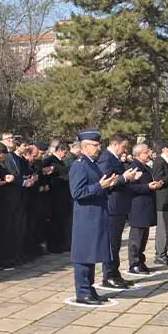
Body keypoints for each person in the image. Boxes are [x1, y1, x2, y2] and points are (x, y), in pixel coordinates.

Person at [69, 130, 119, 306]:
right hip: (86, 217)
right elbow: (77, 192)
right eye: (95, 145)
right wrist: (100, 186)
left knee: (91, 254)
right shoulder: (80, 165)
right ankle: (82, 291)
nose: (99, 148)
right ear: (84, 147)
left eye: (99, 145)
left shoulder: (92, 163)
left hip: (95, 215)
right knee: (83, 255)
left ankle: (89, 288)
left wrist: (108, 185)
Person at [97, 134, 135, 285]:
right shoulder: (106, 158)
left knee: (116, 242)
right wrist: (125, 177)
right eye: (123, 147)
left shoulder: (114, 158)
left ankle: (115, 273)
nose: (124, 151)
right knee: (111, 242)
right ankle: (109, 275)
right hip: (112, 205)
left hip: (119, 205)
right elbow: (107, 181)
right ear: (115, 144)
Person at [125, 143, 162, 275]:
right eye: (146, 152)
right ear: (139, 154)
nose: (149, 153)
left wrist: (154, 185)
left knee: (143, 236)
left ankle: (140, 261)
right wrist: (148, 187)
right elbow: (130, 187)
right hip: (137, 206)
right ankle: (134, 263)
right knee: (136, 237)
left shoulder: (144, 166)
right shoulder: (134, 167)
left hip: (145, 206)